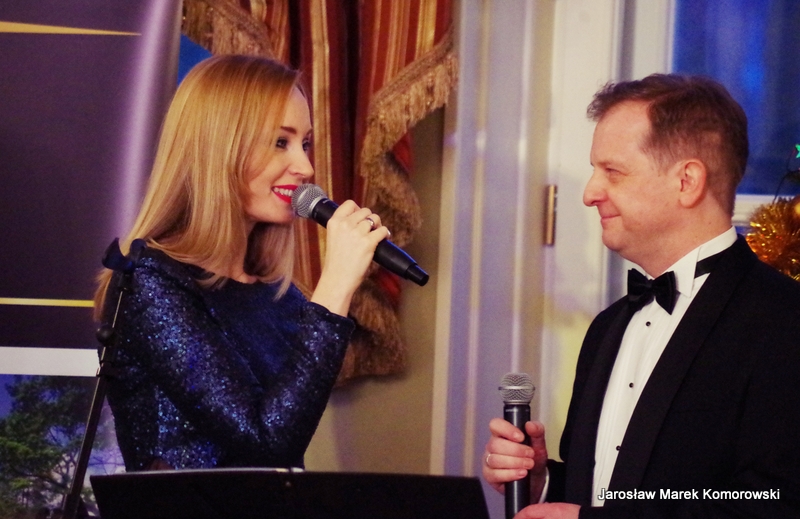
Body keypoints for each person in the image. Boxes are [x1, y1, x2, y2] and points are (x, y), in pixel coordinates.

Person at [482, 74, 800, 518]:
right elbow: (615, 491)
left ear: (687, 181)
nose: (590, 193)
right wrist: (544, 481)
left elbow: (773, 502)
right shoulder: (608, 327)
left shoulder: (784, 321)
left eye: (612, 171)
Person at [93, 54, 389, 472]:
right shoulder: (152, 282)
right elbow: (264, 444)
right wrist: (336, 283)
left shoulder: (279, 297)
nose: (305, 167)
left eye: (305, 144)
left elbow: (285, 452)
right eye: (280, 142)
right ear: (219, 148)